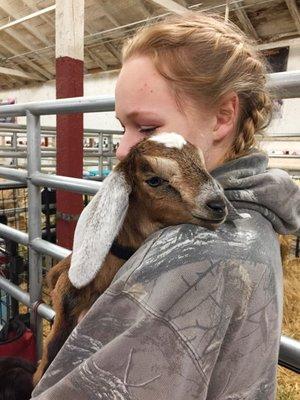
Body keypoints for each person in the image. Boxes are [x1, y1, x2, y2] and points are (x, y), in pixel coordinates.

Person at [31, 12, 300, 400]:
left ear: (223, 116)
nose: (123, 148)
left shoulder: (196, 255)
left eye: (147, 128)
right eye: (123, 126)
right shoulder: (251, 213)